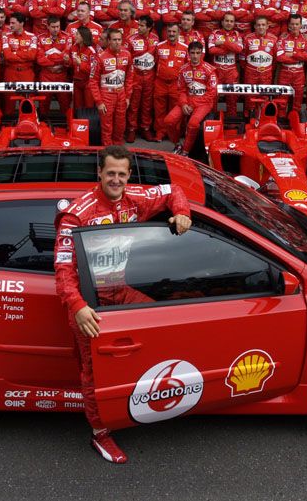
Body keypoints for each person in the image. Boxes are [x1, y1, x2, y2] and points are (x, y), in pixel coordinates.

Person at [54, 144, 192, 464]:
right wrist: (77, 306)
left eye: (121, 174)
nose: (115, 179)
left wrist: (182, 213)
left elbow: (175, 189)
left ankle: (145, 400)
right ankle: (100, 433)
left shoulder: (135, 199)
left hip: (121, 292)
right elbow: (62, 269)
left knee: (163, 329)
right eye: (110, 173)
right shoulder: (78, 213)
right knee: (94, 373)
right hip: (90, 303)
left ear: (129, 175)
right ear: (99, 173)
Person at [164, 41, 218, 155]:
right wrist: (183, 104)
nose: (195, 56)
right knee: (169, 121)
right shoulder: (183, 69)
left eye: (197, 53)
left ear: (201, 54)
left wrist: (192, 104)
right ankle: (177, 145)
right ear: (188, 53)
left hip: (204, 103)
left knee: (193, 124)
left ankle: (186, 151)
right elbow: (181, 90)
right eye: (192, 53)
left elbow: (211, 94)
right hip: (186, 102)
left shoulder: (210, 70)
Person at [89, 28, 135, 145]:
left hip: (121, 94)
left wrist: (128, 96)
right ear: (109, 41)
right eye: (114, 40)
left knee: (120, 126)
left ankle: (118, 151)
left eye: (119, 39)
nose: (117, 42)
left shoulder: (127, 55)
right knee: (107, 126)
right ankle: (107, 153)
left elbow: (130, 77)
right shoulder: (100, 57)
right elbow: (93, 81)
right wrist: (99, 102)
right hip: (106, 95)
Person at [153, 24, 189, 139]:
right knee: (159, 110)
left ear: (178, 33)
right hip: (160, 82)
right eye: (169, 31)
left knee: (176, 111)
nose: (171, 34)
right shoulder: (159, 46)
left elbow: (187, 66)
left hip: (176, 84)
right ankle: (160, 133)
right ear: (166, 33)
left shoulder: (185, 48)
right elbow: (155, 63)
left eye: (174, 32)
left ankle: (174, 133)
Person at [127, 15, 158, 142]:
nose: (139, 27)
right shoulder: (131, 39)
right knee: (134, 105)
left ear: (149, 27)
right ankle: (131, 129)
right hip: (136, 75)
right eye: (138, 25)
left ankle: (145, 128)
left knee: (147, 105)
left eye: (142, 25)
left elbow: (157, 57)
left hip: (149, 75)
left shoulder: (155, 39)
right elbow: (127, 58)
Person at [276, 14, 307, 114]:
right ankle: (281, 120)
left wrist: (292, 54)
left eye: (297, 24)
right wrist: (299, 57)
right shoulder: (283, 38)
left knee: (298, 100)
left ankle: (294, 122)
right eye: (292, 24)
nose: (294, 26)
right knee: (282, 99)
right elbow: (279, 57)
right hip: (285, 71)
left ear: (301, 25)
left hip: (299, 72)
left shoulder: (306, 39)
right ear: (288, 25)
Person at [1, 13, 38, 114]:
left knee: (27, 103)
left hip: (27, 73)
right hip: (10, 72)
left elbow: (32, 56)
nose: (10, 25)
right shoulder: (6, 37)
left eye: (13, 23)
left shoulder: (32, 37)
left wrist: (15, 53)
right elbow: (7, 56)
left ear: (21, 23)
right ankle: (8, 127)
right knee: (9, 104)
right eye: (10, 23)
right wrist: (24, 54)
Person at [208, 13, 243, 116]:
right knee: (213, 96)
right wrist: (229, 49)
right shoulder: (214, 33)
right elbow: (211, 50)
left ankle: (231, 119)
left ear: (234, 23)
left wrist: (222, 43)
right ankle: (212, 118)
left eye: (231, 21)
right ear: (222, 22)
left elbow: (239, 49)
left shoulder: (236, 35)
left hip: (231, 71)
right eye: (227, 21)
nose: (229, 23)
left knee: (232, 97)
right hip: (217, 70)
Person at [36, 16, 72, 113]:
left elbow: (68, 56)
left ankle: (67, 125)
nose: (56, 29)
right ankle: (43, 123)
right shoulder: (40, 38)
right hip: (46, 74)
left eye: (57, 26)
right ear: (47, 26)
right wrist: (59, 58)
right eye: (53, 27)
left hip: (62, 75)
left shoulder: (67, 37)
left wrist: (49, 56)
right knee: (43, 103)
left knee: (65, 103)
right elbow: (40, 59)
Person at [69, 26, 97, 111]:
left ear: (83, 36)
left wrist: (81, 64)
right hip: (76, 82)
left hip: (88, 83)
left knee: (89, 107)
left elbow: (93, 70)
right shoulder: (73, 47)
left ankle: (89, 124)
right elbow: (72, 64)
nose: (74, 36)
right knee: (78, 108)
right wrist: (67, 61)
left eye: (77, 34)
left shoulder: (91, 50)